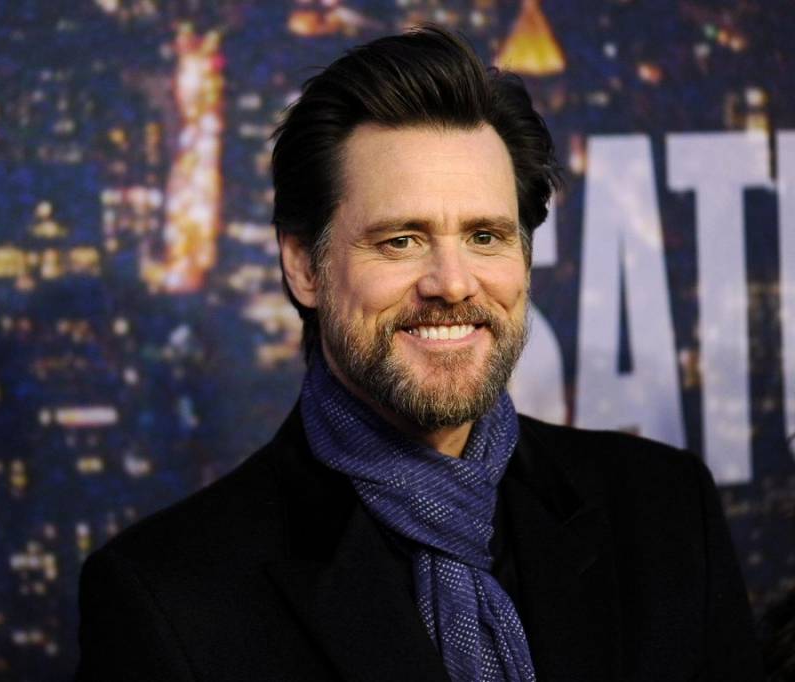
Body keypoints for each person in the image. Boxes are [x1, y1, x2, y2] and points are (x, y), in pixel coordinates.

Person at [76, 27, 762, 681]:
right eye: (401, 240)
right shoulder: (169, 599)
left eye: (486, 236)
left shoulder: (666, 515)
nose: (453, 284)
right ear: (304, 267)